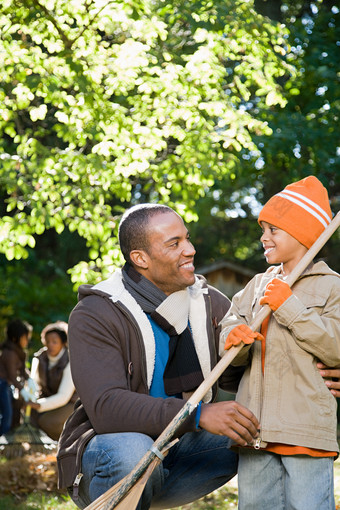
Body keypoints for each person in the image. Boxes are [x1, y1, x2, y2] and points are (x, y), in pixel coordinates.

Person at [57, 203, 260, 510]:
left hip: (177, 449)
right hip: (111, 454)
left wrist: (322, 375)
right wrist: (199, 415)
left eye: (187, 238)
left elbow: (237, 372)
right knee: (132, 448)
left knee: (264, 428)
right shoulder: (95, 313)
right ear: (140, 259)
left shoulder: (208, 303)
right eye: (174, 243)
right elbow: (107, 408)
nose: (190, 250)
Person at [219, 176, 340, 510]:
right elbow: (231, 324)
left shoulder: (332, 288)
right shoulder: (257, 285)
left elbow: (336, 348)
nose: (263, 237)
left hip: (305, 431)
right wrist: (233, 338)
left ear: (303, 234)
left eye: (273, 230)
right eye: (263, 229)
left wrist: (289, 306)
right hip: (254, 430)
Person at [28, 321, 77, 441]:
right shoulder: (40, 357)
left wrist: (39, 405)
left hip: (71, 402)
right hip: (48, 399)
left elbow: (64, 396)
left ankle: (65, 446)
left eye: (54, 342)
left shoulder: (70, 360)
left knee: (47, 422)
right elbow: (33, 382)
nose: (50, 345)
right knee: (31, 419)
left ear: (63, 343)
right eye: (47, 341)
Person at [0, 318, 32, 434]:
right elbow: (12, 377)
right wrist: (23, 390)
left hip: (7, 386)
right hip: (2, 385)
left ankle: (9, 437)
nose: (27, 341)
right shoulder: (9, 353)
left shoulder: (19, 352)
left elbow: (23, 371)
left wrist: (30, 379)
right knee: (6, 415)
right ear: (15, 338)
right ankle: (2, 440)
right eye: (25, 338)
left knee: (12, 411)